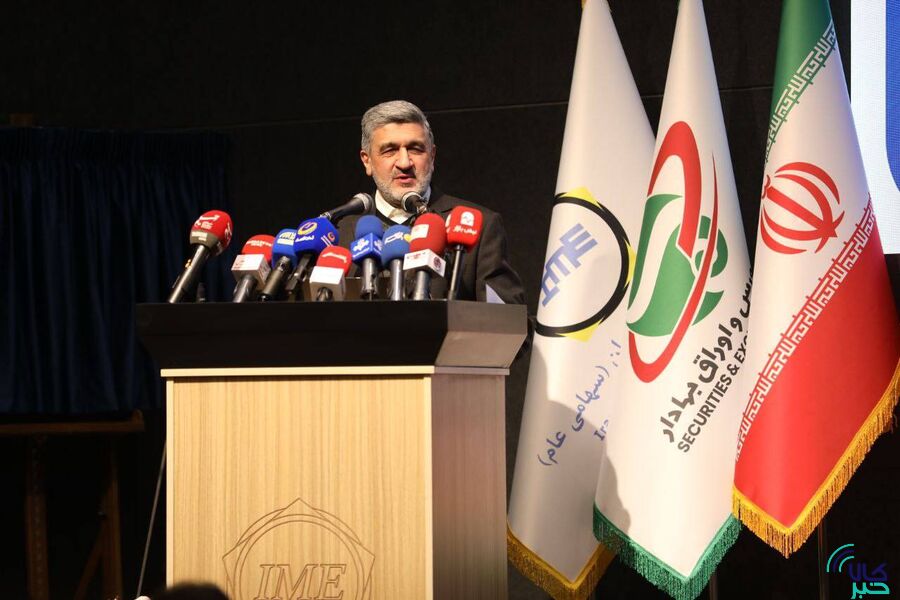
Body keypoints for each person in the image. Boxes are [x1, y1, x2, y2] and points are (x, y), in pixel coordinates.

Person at [338, 100, 526, 304]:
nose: (404, 163)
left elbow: (509, 319)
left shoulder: (479, 226)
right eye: (390, 150)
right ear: (367, 160)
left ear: (432, 156)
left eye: (415, 149)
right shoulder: (339, 235)